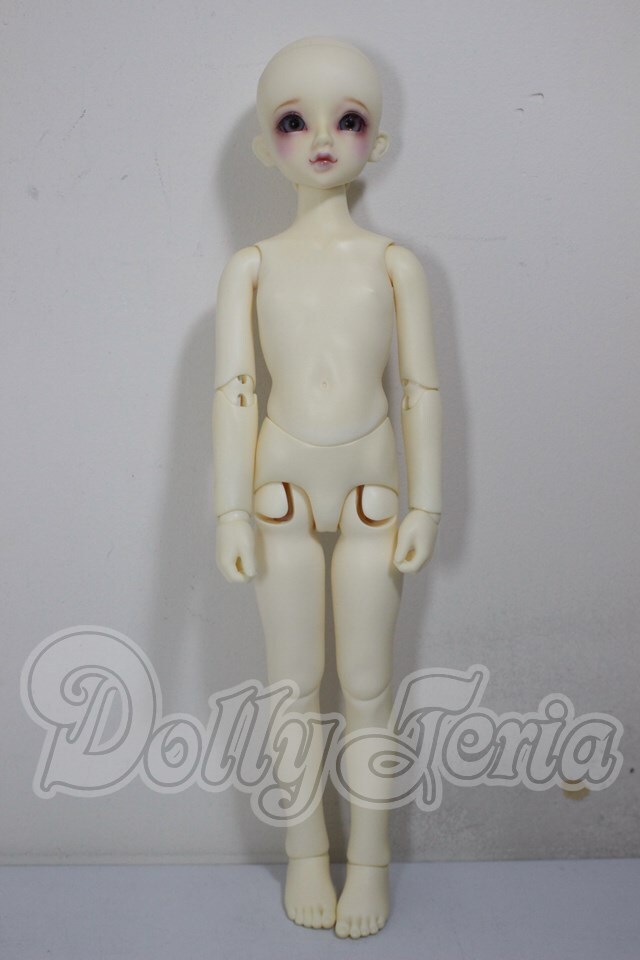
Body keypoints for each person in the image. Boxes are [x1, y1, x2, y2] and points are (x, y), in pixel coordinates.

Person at [213, 36, 442, 938]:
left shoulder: (394, 263)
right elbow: (236, 390)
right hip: (279, 490)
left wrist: (427, 502)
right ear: (262, 145)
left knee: (369, 680)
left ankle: (370, 860)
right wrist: (229, 508)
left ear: (376, 142)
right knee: (292, 681)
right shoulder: (252, 265)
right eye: (292, 121)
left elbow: (420, 389)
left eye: (346, 120)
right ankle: (306, 851)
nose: (319, 140)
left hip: (371, 490)